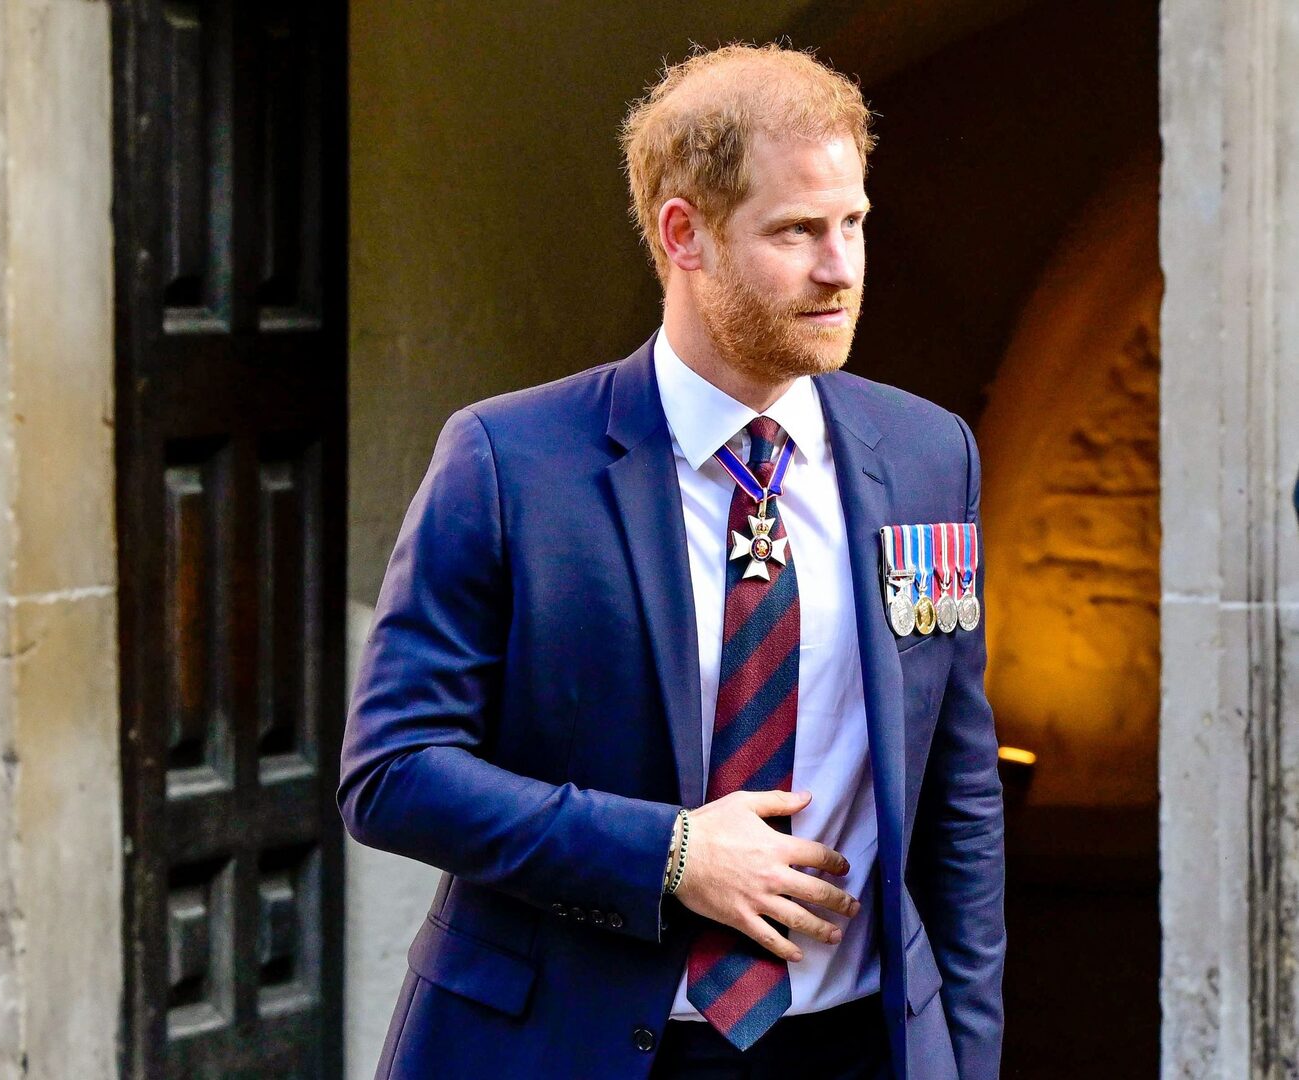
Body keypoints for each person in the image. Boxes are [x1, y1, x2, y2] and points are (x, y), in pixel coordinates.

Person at [339, 42, 1004, 1080]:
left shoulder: (929, 456)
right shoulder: (508, 461)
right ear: (682, 234)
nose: (840, 269)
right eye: (796, 231)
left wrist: (964, 1055)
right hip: (574, 1049)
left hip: (856, 1047)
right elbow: (392, 771)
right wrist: (669, 855)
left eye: (853, 223)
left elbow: (959, 798)